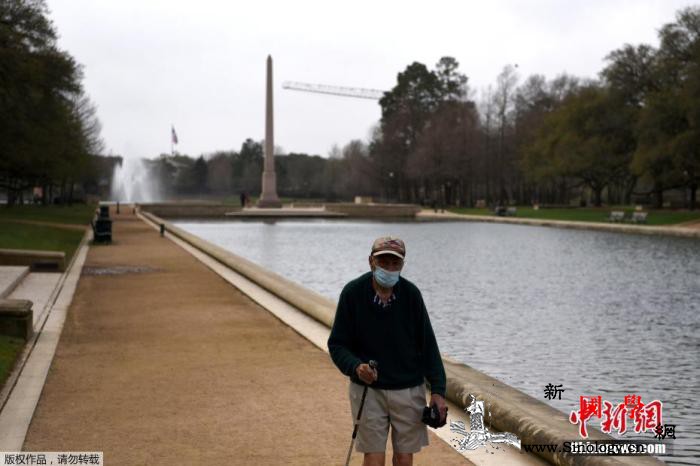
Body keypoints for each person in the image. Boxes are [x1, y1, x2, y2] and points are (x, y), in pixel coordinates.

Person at [328, 236, 447, 466]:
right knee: (373, 459)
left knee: (404, 459)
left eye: (395, 264)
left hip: (409, 389)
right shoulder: (352, 293)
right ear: (371, 262)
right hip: (368, 390)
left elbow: (429, 347)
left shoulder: (412, 295)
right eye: (384, 262)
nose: (389, 269)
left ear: (402, 265)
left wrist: (438, 391)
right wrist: (356, 367)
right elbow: (337, 344)